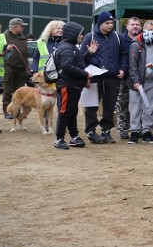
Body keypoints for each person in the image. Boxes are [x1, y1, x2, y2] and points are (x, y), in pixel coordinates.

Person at [80, 11, 129, 144]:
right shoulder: (90, 37)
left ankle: (106, 131)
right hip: (94, 78)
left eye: (112, 23)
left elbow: (124, 54)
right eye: (107, 23)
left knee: (109, 106)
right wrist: (90, 53)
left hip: (112, 77)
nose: (110, 25)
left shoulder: (118, 37)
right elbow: (80, 60)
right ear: (100, 23)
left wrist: (123, 69)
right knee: (91, 106)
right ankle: (91, 132)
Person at [53, 22, 97, 150]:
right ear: (73, 34)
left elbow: (77, 62)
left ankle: (74, 137)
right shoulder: (67, 47)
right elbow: (67, 66)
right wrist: (85, 74)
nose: (82, 36)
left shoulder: (70, 47)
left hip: (73, 84)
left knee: (72, 111)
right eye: (80, 34)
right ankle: (59, 139)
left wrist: (89, 54)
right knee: (65, 111)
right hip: (67, 84)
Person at [127, 20, 153, 144]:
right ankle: (134, 131)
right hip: (138, 82)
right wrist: (136, 81)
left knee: (149, 108)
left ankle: (146, 130)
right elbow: (132, 65)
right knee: (135, 107)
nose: (151, 32)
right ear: (144, 29)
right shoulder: (136, 44)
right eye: (149, 29)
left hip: (152, 81)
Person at [116, 16, 143, 139]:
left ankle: (138, 128)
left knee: (138, 104)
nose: (135, 26)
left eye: (137, 24)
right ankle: (123, 128)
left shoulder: (143, 40)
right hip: (123, 77)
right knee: (122, 103)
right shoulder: (120, 40)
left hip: (139, 78)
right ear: (127, 26)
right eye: (132, 24)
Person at [2, 18, 31, 120]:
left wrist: (27, 67)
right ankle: (7, 112)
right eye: (21, 26)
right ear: (14, 27)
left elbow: (25, 53)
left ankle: (17, 112)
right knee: (8, 90)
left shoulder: (22, 37)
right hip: (9, 67)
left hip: (21, 69)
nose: (23, 28)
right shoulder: (4, 36)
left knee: (21, 91)